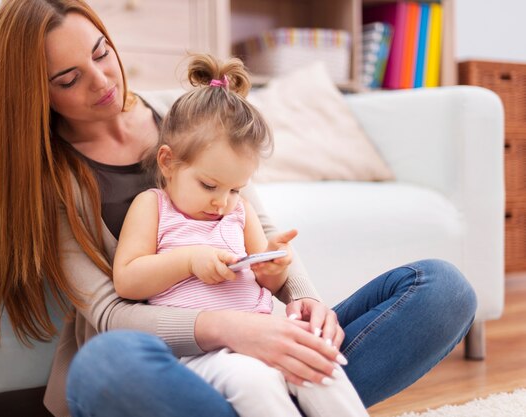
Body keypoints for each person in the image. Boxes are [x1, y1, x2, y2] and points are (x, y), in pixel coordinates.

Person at [0, 1, 477, 417]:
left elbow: (260, 233)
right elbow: (109, 311)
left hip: (255, 340)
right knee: (107, 366)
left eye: (102, 53)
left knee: (443, 289)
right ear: (34, 94)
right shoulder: (47, 180)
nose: (102, 81)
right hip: (169, 361)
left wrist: (303, 301)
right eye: (68, 79)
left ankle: (277, 396)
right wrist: (229, 329)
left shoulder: (188, 117)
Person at [112, 53, 369, 417]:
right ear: (168, 162)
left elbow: (264, 279)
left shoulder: (238, 211)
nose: (222, 202)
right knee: (254, 381)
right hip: (200, 355)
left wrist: (274, 265)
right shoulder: (152, 206)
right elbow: (127, 280)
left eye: (235, 189)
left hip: (266, 336)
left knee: (320, 365)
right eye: (209, 185)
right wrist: (189, 260)